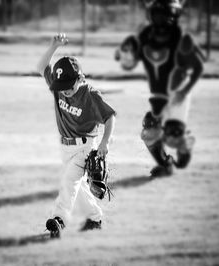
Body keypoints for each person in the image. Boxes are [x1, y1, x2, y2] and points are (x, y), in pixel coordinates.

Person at [36, 33, 116, 237]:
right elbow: (41, 67)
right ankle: (96, 218)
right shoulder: (59, 87)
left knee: (68, 181)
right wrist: (53, 46)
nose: (64, 91)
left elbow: (109, 117)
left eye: (68, 87)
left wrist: (105, 143)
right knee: (76, 185)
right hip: (65, 147)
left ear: (80, 78)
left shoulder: (90, 95)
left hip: (85, 146)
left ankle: (59, 219)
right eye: (60, 87)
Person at [115, 0, 204, 177]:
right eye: (155, 14)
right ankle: (166, 164)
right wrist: (126, 54)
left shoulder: (181, 38)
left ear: (173, 15)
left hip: (177, 91)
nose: (158, 19)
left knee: (172, 137)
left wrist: (184, 91)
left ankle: (183, 144)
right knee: (149, 131)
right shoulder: (146, 35)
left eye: (162, 15)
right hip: (158, 94)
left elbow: (198, 67)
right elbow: (129, 62)